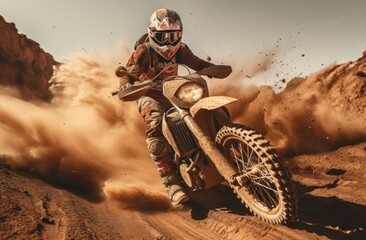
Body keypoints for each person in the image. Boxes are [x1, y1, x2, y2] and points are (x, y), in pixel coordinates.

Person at [117, 8, 217, 206]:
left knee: (204, 108)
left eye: (174, 36)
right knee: (155, 123)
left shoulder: (181, 50)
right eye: (163, 36)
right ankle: (171, 182)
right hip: (149, 95)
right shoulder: (143, 51)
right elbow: (129, 73)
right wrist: (127, 84)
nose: (169, 42)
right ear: (153, 34)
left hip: (175, 90)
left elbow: (196, 62)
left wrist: (210, 68)